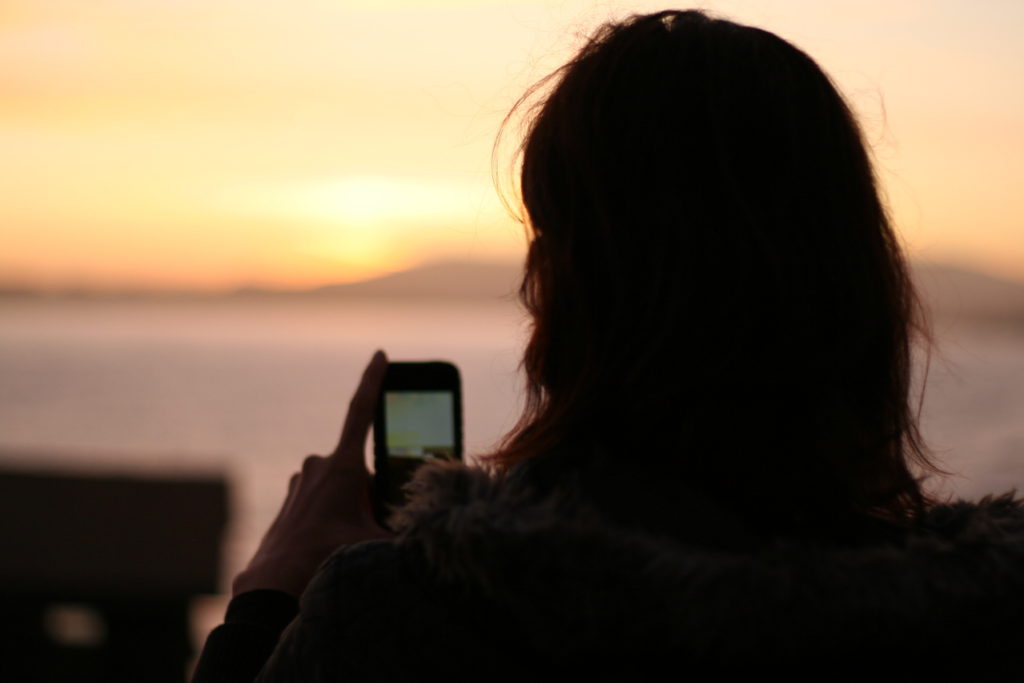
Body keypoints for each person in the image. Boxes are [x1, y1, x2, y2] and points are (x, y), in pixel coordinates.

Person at [192, 10, 1024, 680]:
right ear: (855, 279)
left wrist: (271, 596)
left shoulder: (414, 617)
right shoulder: (979, 615)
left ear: (567, 282)